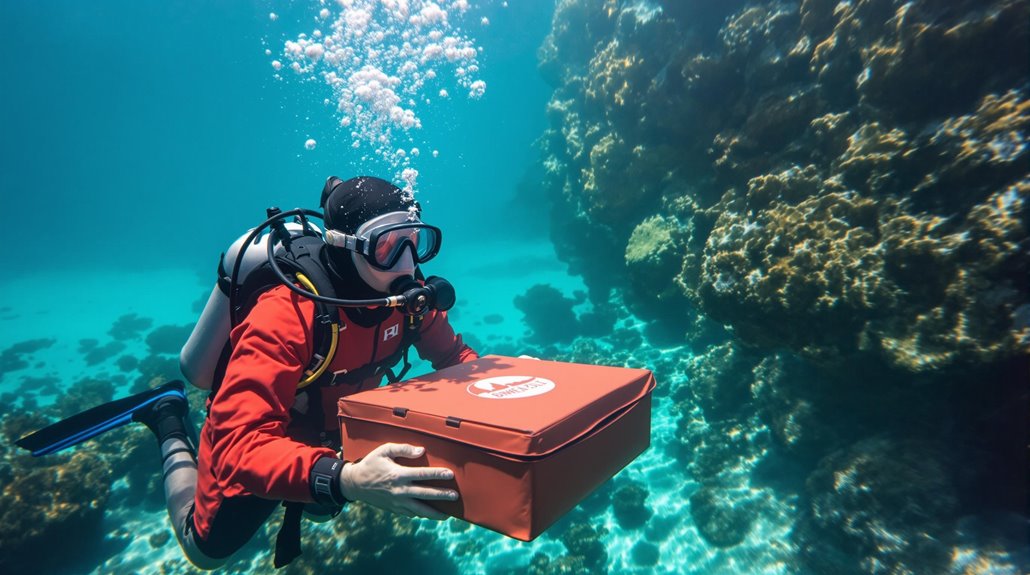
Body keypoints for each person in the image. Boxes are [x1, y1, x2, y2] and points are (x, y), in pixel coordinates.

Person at [20, 176, 478, 569]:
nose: (407, 263)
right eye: (385, 245)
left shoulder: (411, 303)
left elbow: (457, 361)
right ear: (344, 247)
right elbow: (241, 445)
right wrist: (345, 479)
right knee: (207, 550)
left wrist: (516, 389)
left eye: (414, 241)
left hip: (324, 433)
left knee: (323, 504)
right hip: (258, 436)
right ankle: (166, 415)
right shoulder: (289, 312)